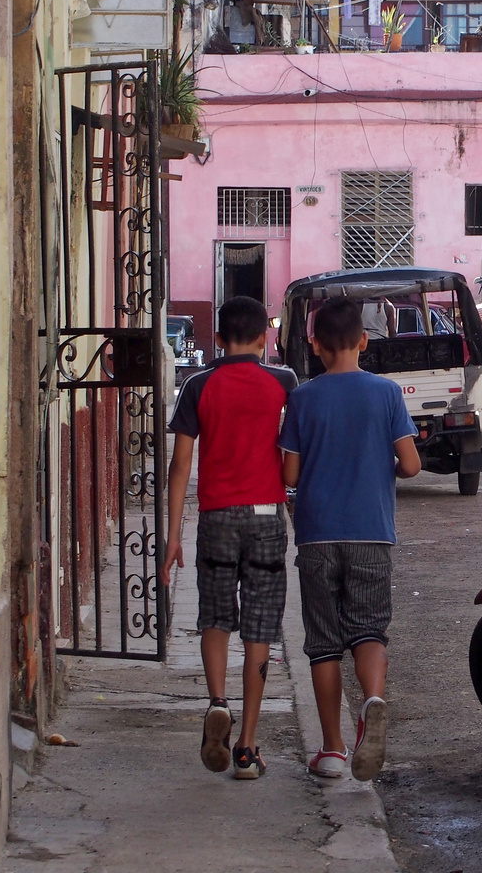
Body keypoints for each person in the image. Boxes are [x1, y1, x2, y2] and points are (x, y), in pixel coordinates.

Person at [279, 298, 421, 781]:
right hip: (372, 532)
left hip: (317, 534)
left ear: (315, 345)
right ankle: (374, 701)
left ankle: (333, 751)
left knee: (323, 643)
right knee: (369, 630)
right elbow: (412, 465)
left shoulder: (302, 397)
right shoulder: (386, 394)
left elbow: (290, 472)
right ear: (364, 340)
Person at [163, 296, 297, 781]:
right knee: (260, 626)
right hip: (265, 515)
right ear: (265, 338)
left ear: (217, 338)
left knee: (216, 616)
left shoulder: (198, 385)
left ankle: (217, 701)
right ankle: (246, 747)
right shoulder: (283, 382)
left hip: (216, 516)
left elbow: (180, 466)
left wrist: (173, 535)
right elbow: (293, 453)